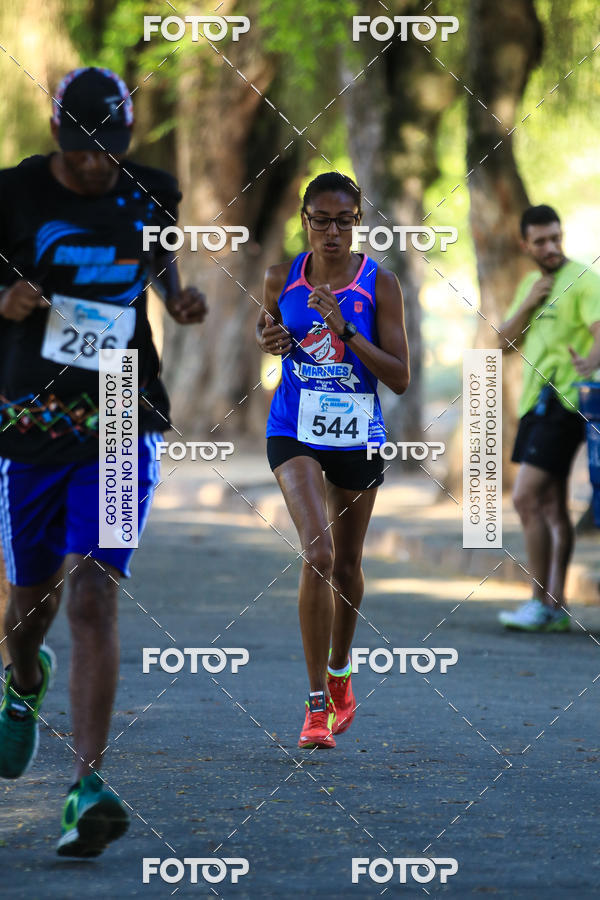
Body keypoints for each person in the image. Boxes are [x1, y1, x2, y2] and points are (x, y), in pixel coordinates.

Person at [0, 67, 207, 855]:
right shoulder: (12, 195)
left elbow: (159, 266)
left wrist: (179, 300)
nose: (98, 166)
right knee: (30, 604)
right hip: (27, 417)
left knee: (92, 593)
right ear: (58, 135)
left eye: (110, 151)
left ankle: (86, 785)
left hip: (123, 406)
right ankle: (22, 684)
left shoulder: (148, 190)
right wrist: (5, 300)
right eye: (85, 152)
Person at [256, 172, 409, 748]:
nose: (333, 231)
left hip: (356, 434)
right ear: (304, 220)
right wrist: (266, 339)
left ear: (358, 222)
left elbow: (398, 376)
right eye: (321, 219)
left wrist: (347, 330)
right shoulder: (280, 278)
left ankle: (341, 669)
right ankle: (315, 704)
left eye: (345, 220)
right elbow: (268, 327)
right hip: (293, 426)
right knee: (316, 553)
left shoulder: (380, 285)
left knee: (346, 565)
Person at [497, 205, 600, 631]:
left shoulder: (584, 279)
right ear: (526, 245)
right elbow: (502, 342)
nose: (551, 247)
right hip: (535, 404)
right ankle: (555, 608)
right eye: (540, 241)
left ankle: (539, 600)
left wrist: (589, 363)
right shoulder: (530, 283)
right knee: (554, 509)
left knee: (524, 498)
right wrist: (531, 301)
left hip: (565, 403)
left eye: (556, 238)